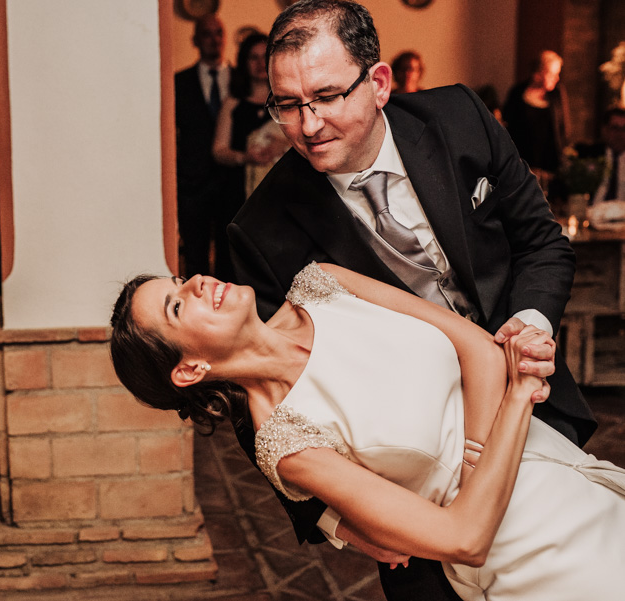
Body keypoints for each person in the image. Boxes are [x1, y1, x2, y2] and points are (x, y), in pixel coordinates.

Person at [226, 2, 595, 599]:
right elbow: (257, 399)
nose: (309, 124)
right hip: (410, 467)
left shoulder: (460, 119)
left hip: (532, 412)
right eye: (287, 105)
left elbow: (541, 243)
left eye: (326, 96)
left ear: (378, 84)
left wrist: (528, 326)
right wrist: (332, 518)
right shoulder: (262, 229)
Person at [109, 263, 625, 601]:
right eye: (178, 305)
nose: (195, 283)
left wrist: (475, 463)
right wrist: (516, 397)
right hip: (532, 556)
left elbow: (479, 350)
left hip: (569, 480)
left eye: (178, 280)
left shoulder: (322, 282)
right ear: (190, 370)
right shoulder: (286, 443)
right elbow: (464, 540)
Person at [175, 14, 234, 280]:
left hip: (232, 183)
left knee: (230, 255)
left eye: (219, 33)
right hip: (192, 184)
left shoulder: (240, 80)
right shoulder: (178, 83)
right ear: (195, 40)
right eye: (207, 34)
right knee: (195, 256)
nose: (214, 39)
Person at [213, 32, 290, 204]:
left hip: (280, 190)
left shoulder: (287, 100)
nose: (260, 63)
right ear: (244, 62)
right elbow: (219, 151)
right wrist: (245, 157)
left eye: (264, 56)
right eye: (253, 58)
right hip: (239, 190)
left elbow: (303, 141)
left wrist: (284, 146)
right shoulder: (232, 103)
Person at [502, 50, 570, 192]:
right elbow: (507, 129)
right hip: (522, 166)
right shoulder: (518, 93)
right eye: (552, 74)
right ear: (538, 73)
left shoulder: (557, 94)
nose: (556, 78)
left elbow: (563, 129)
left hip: (550, 168)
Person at [592, 106, 625, 203]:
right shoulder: (590, 154)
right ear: (605, 130)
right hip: (591, 212)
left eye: (624, 129)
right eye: (615, 128)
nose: (620, 134)